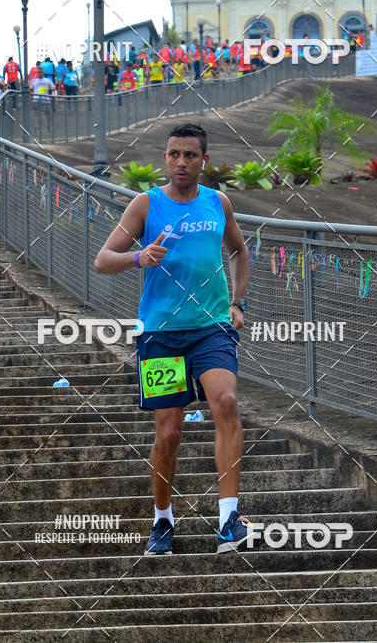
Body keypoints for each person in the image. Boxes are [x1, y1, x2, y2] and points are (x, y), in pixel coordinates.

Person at [95, 123, 256, 556]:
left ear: (204, 159)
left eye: (190, 155)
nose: (181, 162)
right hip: (161, 333)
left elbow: (239, 250)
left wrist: (238, 303)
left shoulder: (218, 202)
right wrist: (138, 256)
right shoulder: (146, 204)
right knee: (169, 431)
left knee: (226, 402)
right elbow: (103, 260)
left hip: (211, 328)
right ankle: (162, 519)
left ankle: (228, 520)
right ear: (165, 158)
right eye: (174, 154)